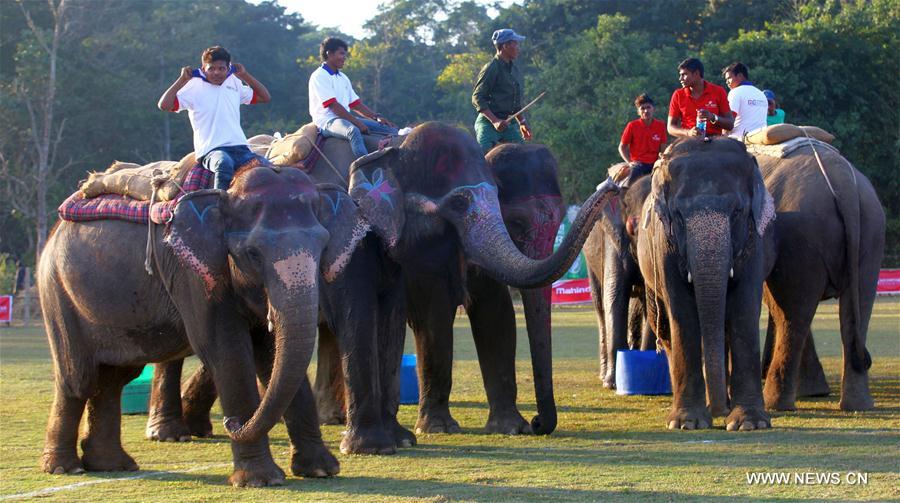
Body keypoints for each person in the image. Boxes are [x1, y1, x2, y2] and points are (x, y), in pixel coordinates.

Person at [158, 46, 271, 190]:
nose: (216, 72)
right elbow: (164, 105)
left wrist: (244, 75)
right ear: (204, 68)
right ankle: (219, 204)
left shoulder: (234, 82)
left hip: (240, 148)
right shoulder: (194, 85)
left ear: (228, 68)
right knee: (224, 164)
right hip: (212, 150)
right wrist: (182, 80)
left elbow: (265, 97)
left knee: (268, 168)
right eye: (211, 69)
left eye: (221, 68)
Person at [309, 37, 397, 159]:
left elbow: (355, 104)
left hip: (345, 118)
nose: (344, 57)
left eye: (345, 54)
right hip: (327, 121)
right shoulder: (319, 76)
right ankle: (366, 170)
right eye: (341, 53)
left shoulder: (343, 77)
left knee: (391, 130)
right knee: (353, 131)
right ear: (329, 54)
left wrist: (376, 117)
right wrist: (357, 122)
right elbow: (334, 106)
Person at [472, 29, 532, 153]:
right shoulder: (491, 68)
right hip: (488, 123)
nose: (518, 48)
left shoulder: (513, 69)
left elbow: (514, 101)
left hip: (507, 123)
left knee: (523, 155)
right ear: (505, 46)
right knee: (484, 157)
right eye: (515, 44)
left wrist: (522, 122)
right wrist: (495, 121)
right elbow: (477, 97)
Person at [667, 58, 733, 138]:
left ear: (696, 74)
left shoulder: (718, 91)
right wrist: (688, 133)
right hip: (688, 141)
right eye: (680, 75)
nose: (680, 79)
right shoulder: (678, 94)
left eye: (684, 74)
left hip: (714, 141)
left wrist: (712, 117)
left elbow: (730, 124)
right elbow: (670, 128)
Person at [617, 93, 667, 185]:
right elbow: (622, 147)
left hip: (655, 163)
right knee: (631, 182)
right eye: (642, 108)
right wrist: (629, 162)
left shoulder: (661, 125)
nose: (646, 111)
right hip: (639, 164)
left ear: (653, 109)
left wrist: (662, 158)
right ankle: (625, 197)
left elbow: (663, 147)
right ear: (638, 112)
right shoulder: (632, 125)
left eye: (648, 107)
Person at [721, 62, 768, 140]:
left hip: (739, 140)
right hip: (761, 139)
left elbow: (729, 121)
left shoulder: (735, 92)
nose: (727, 82)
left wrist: (722, 137)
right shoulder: (761, 94)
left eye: (729, 78)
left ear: (740, 76)